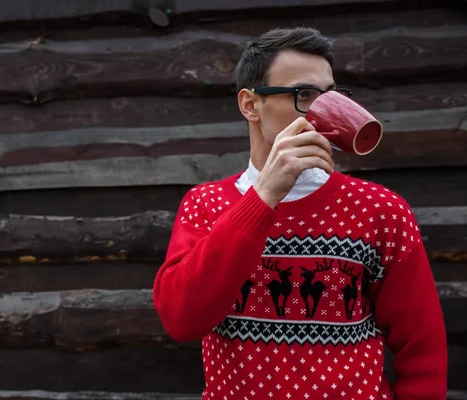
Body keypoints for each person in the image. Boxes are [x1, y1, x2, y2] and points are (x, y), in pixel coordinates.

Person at [152, 27, 447, 399]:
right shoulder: (206, 204)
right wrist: (265, 195)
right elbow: (181, 318)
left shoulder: (380, 209)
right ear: (250, 104)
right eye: (304, 95)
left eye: (332, 95)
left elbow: (422, 347)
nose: (324, 110)